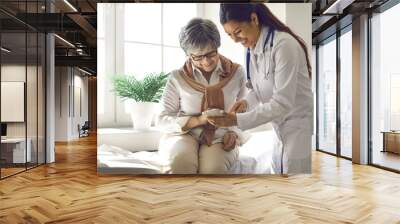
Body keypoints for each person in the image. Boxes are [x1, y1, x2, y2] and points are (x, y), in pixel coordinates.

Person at [208, 3, 313, 174]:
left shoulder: (284, 45)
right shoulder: (252, 50)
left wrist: (236, 120)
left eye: (238, 32)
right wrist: (245, 103)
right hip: (279, 128)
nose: (235, 40)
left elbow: (282, 103)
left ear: (254, 19)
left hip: (296, 127)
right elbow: (257, 90)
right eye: (229, 35)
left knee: (294, 186)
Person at [157, 18, 248, 174]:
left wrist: (235, 134)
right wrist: (197, 121)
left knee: (213, 171)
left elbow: (246, 111)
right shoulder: (177, 77)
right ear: (188, 55)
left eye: (210, 54)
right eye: (197, 57)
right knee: (180, 165)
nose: (206, 62)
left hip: (221, 136)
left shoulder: (237, 72)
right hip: (184, 134)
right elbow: (162, 120)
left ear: (217, 47)